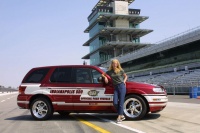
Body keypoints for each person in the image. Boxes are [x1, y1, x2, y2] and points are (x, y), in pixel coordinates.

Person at [102, 59, 127, 124]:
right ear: (112, 64)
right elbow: (103, 74)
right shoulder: (110, 71)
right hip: (115, 87)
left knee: (121, 102)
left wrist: (124, 82)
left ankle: (119, 117)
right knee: (115, 102)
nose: (115, 64)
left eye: (116, 63)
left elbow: (126, 76)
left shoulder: (121, 70)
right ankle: (122, 115)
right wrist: (105, 77)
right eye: (114, 63)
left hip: (121, 87)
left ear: (117, 64)